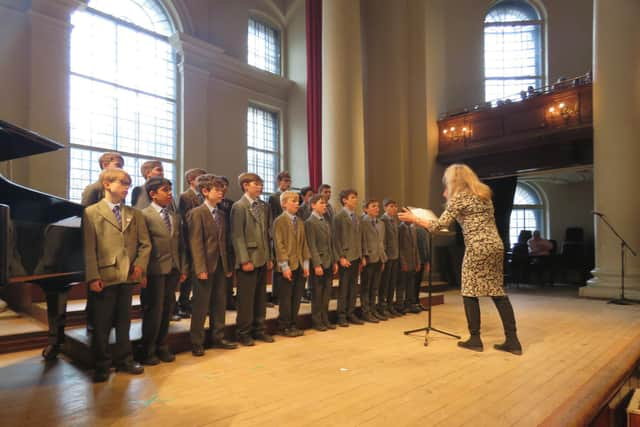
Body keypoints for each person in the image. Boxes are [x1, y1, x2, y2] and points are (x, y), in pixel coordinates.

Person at [398, 164, 522, 355]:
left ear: (452, 180)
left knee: (469, 291)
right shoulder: (484, 196)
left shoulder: (460, 197)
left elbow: (439, 226)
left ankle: (475, 338)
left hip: (477, 247)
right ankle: (513, 341)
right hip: (495, 246)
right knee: (497, 291)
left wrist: (415, 219)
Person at [83, 168, 151, 382]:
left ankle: (125, 359)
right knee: (102, 325)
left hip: (128, 276)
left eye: (128, 184)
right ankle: (101, 364)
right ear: (106, 184)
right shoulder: (91, 212)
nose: (126, 188)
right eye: (122, 183)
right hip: (104, 277)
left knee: (124, 322)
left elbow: (145, 244)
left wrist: (140, 265)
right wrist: (93, 276)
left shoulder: (134, 214)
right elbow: (89, 248)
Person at [188, 174, 237, 356]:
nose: (221, 193)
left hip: (221, 265)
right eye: (217, 190)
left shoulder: (222, 214)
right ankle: (197, 342)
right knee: (201, 306)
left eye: (222, 190)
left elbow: (224, 242)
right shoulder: (196, 213)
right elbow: (196, 243)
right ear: (205, 191)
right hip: (204, 267)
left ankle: (218, 337)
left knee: (219, 303)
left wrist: (228, 266)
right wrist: (200, 268)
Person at [140, 177, 187, 365]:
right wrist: (141, 272)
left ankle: (162, 345)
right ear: (152, 194)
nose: (170, 193)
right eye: (165, 190)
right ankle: (147, 350)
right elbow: (142, 245)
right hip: (154, 270)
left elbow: (180, 245)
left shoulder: (174, 216)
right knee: (154, 311)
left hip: (173, 269)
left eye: (170, 189)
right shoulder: (144, 215)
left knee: (167, 309)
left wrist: (182, 267)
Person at [231, 172, 275, 346]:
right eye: (255, 184)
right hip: (248, 259)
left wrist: (269, 256)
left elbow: (267, 234)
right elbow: (237, 235)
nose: (259, 187)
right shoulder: (239, 206)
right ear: (245, 186)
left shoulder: (263, 206)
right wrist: (244, 259)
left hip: (262, 258)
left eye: (260, 184)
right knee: (246, 299)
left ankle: (259, 329)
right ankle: (243, 332)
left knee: (260, 297)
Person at [273, 191, 310, 337]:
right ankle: (284, 325)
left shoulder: (300, 221)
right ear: (283, 204)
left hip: (300, 265)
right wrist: (284, 266)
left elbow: (304, 244)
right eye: (293, 201)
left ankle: (293, 323)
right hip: (287, 266)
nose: (297, 203)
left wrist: (306, 264)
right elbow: (279, 245)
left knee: (296, 297)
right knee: (286, 299)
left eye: (298, 201)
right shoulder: (279, 221)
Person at [175, 168, 207, 319]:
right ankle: (183, 303)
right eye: (200, 178)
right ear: (191, 180)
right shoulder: (185, 196)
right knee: (186, 275)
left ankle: (196, 303)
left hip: (203, 238)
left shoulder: (204, 196)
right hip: (189, 237)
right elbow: (184, 218)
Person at [305, 195, 338, 331]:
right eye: (321, 203)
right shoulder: (310, 222)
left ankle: (325, 318)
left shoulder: (325, 221)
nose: (325, 205)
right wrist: (317, 264)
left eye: (325, 203)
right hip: (318, 264)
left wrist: (334, 261)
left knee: (326, 294)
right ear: (313, 205)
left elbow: (331, 244)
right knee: (317, 294)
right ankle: (317, 320)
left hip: (329, 261)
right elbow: (311, 245)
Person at [333, 188, 364, 326]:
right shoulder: (338, 217)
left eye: (356, 197)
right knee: (344, 288)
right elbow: (336, 239)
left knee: (353, 287)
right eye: (352, 197)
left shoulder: (357, 217)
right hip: (345, 257)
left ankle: (351, 313)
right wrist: (340, 257)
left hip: (356, 256)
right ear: (344, 200)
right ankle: (341, 315)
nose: (355, 200)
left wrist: (362, 255)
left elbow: (360, 237)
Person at [360, 199, 387, 323]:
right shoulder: (362, 222)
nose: (377, 208)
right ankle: (366, 312)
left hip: (379, 257)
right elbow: (362, 240)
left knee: (375, 287)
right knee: (366, 286)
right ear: (366, 209)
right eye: (373, 206)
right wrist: (364, 256)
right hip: (369, 258)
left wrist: (383, 258)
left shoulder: (381, 223)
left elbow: (382, 242)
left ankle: (373, 309)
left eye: (377, 206)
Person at [268, 171, 293, 305]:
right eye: (284, 181)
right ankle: (276, 294)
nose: (287, 183)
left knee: (289, 261)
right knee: (279, 264)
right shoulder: (274, 197)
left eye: (289, 181)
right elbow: (273, 216)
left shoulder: (293, 196)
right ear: (279, 182)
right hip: (278, 231)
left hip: (290, 232)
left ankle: (286, 293)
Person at [380, 199, 401, 317]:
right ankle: (382, 307)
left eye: (395, 206)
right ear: (385, 208)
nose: (394, 208)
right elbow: (383, 240)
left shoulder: (394, 221)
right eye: (391, 206)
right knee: (385, 283)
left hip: (395, 255)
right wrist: (384, 256)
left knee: (392, 283)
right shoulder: (383, 220)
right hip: (387, 256)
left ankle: (390, 305)